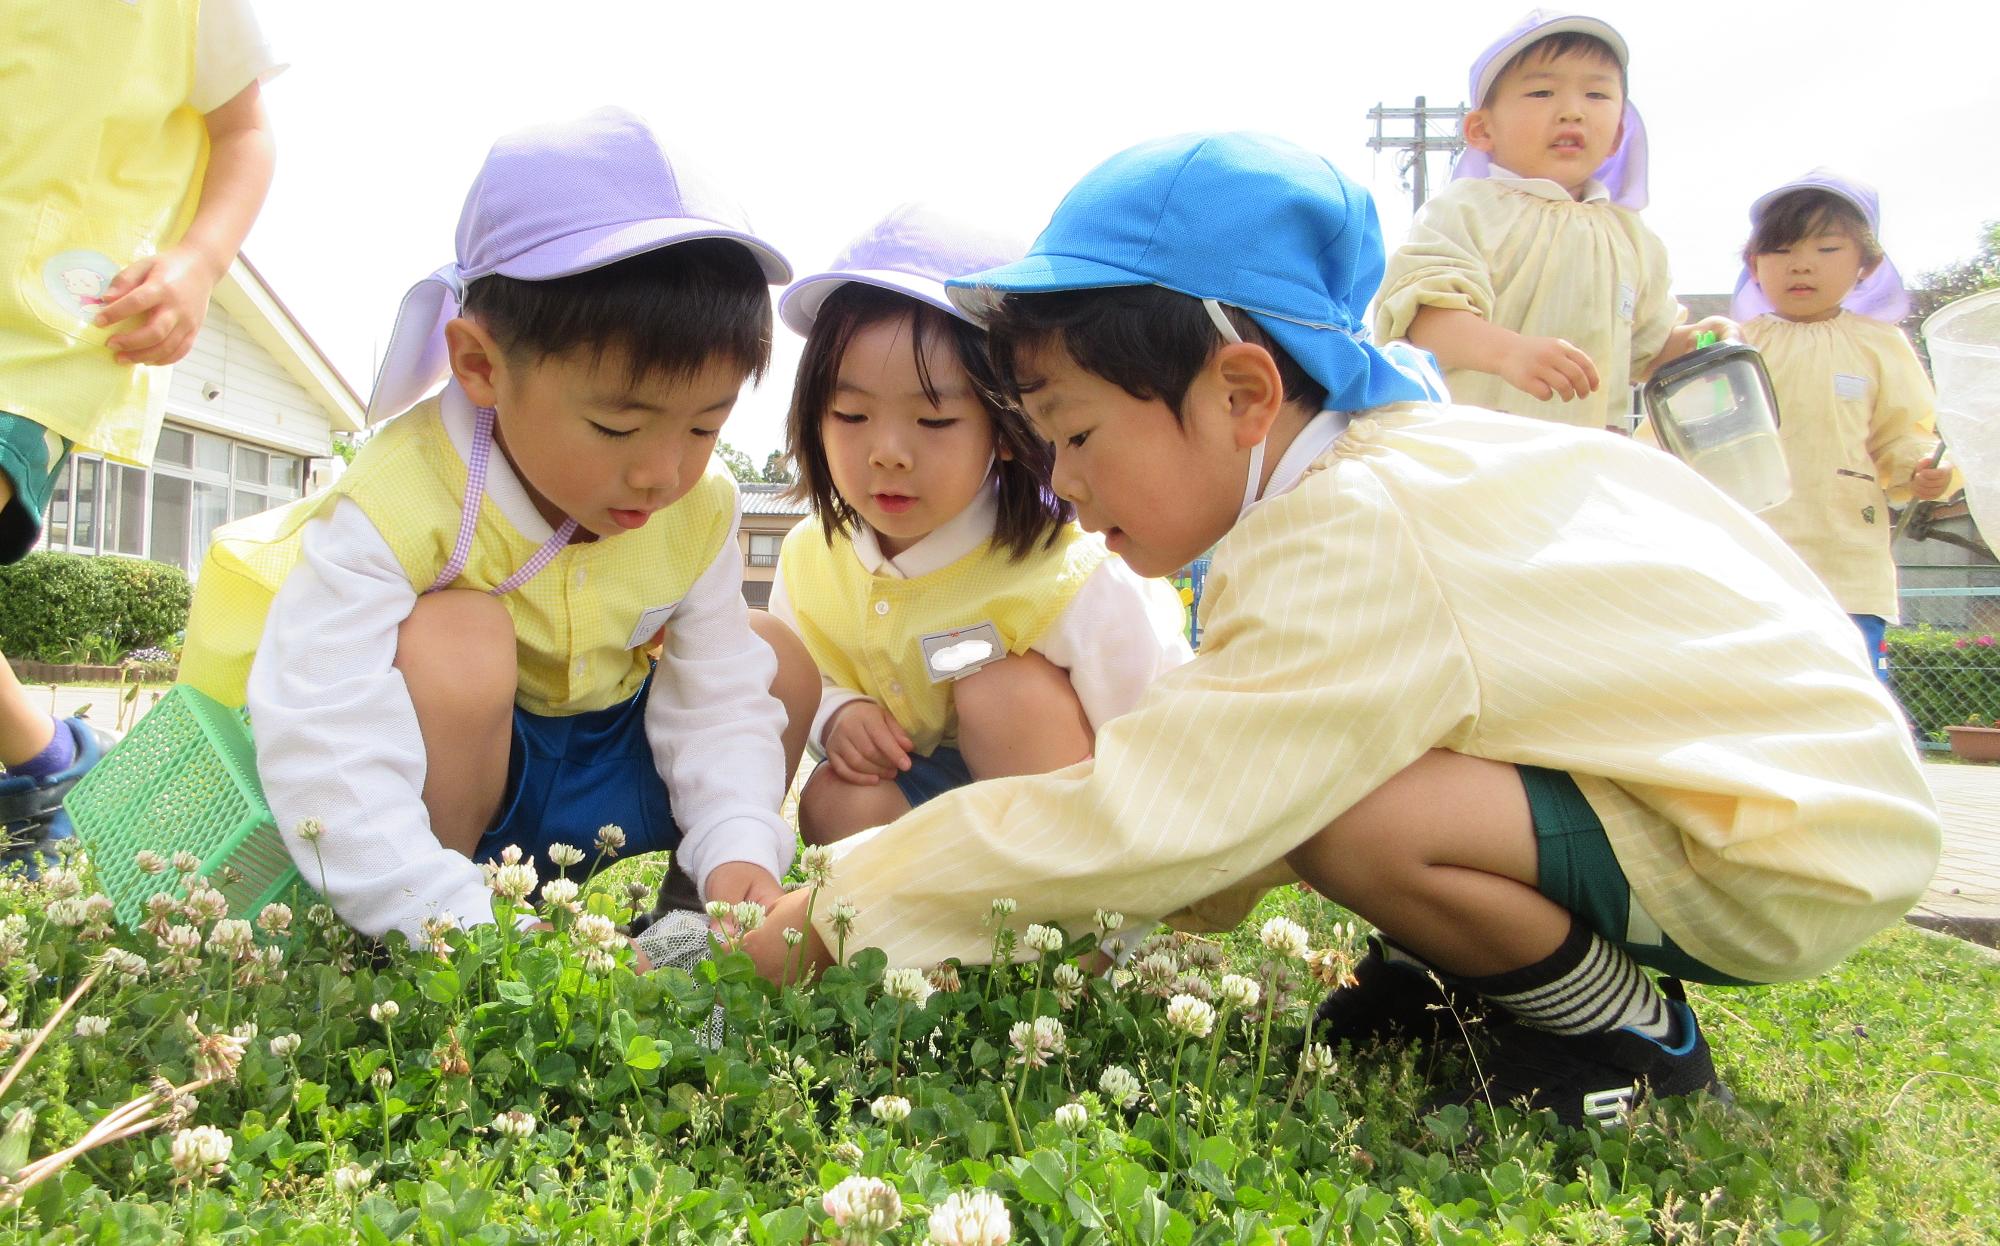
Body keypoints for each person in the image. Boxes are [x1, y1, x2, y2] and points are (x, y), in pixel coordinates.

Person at [740, 132, 1942, 1129]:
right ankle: (1461, 982)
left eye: (1080, 435)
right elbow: (1211, 812)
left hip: (1778, 841)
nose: (1060, 481)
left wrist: (846, 907)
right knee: (1317, 785)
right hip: (1764, 799)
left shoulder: (1351, 531)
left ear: (1242, 394)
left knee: (1343, 806)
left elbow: (1173, 806)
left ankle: (1625, 1038)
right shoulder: (1370, 482)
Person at [175, 109, 817, 954]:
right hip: (472, 785)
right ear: (480, 366)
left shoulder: (703, 506)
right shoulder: (402, 494)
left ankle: (697, 917)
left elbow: (719, 701)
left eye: (704, 427)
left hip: (613, 775)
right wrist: (436, 910)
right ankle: (431, 937)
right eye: (619, 428)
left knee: (777, 658)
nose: (662, 472)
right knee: (455, 635)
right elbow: (323, 726)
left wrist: (739, 842)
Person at [768, 204, 1191, 844]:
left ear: (1009, 429)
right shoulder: (811, 559)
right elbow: (808, 674)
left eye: (933, 422)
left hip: (1055, 805)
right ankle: (921, 939)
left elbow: (1157, 717)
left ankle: (1065, 934)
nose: (888, 453)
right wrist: (837, 714)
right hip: (917, 795)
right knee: (834, 801)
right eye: (851, 415)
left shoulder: (1065, 568)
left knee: (1004, 693)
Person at [0, 0, 280, 862]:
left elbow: (245, 133)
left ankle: (44, 769)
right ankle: (44, 767)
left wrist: (199, 263)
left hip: (47, 329)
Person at [1374, 11, 1721, 432]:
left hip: (1586, 470)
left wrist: (1703, 341)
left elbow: (1648, 350)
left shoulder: (1634, 238)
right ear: (1481, 129)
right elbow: (1426, 321)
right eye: (1542, 92)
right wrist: (1508, 353)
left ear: (1617, 136)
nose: (1572, 111)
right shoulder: (1466, 209)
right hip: (1474, 459)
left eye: (1596, 95)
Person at [1729, 170, 1957, 681]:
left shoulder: (1880, 344)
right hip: (1741, 558)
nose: (1802, 264)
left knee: (1845, 698)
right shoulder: (1728, 345)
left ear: (1866, 266)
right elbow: (1674, 438)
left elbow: (1907, 435)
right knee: (1745, 694)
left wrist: (1924, 471)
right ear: (1754, 263)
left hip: (1846, 563)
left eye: (1828, 249)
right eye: (1782, 250)